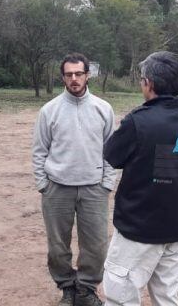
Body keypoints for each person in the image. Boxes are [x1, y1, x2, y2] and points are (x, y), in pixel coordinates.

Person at [102, 51, 178, 306]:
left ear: (148, 83)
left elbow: (112, 155)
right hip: (176, 229)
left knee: (120, 296)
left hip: (137, 230)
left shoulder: (138, 122)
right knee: (168, 299)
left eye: (141, 80)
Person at [32, 53, 117, 306]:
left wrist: (106, 184)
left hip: (94, 188)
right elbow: (39, 151)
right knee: (58, 246)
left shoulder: (103, 109)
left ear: (87, 75)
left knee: (97, 246)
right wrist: (43, 185)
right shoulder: (49, 111)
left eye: (78, 73)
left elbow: (111, 151)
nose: (74, 79)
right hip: (57, 189)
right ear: (63, 77)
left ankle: (86, 289)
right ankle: (67, 288)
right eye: (69, 74)